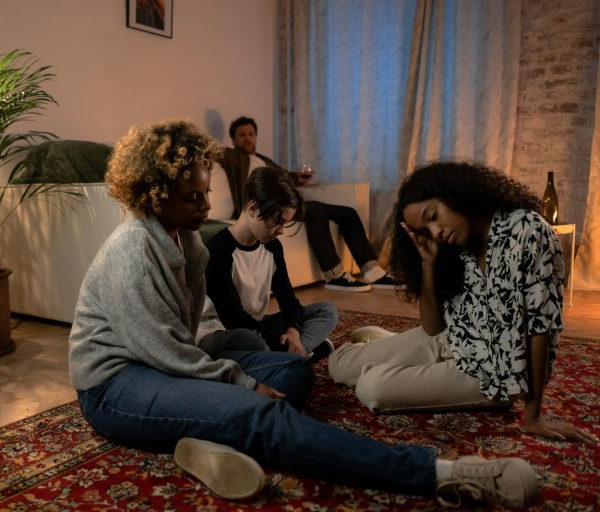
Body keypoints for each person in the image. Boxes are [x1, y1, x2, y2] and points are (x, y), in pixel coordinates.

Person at [68, 119, 540, 508]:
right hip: (117, 383)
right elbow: (164, 350)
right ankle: (440, 473)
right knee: (264, 414)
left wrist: (240, 371)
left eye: (206, 193)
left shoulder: (185, 240)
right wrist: (242, 385)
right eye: (194, 198)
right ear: (154, 193)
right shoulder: (134, 249)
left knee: (295, 373)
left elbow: (184, 338)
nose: (208, 205)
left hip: (167, 364)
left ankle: (207, 438)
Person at [328, 161, 598, 445]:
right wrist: (428, 263)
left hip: (493, 371)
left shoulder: (527, 232)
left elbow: (540, 329)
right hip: (452, 338)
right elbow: (432, 328)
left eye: (434, 216)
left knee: (371, 386)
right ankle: (394, 351)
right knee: (338, 363)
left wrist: (534, 416)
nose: (436, 231)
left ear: (455, 194)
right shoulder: (454, 246)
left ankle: (398, 360)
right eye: (426, 230)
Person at [217, 116, 398, 292]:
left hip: (285, 201)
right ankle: (335, 276)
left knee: (348, 213)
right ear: (233, 139)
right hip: (266, 206)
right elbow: (214, 153)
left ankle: (372, 270)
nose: (248, 138)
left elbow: (282, 177)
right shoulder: (232, 156)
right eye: (242, 135)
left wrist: (296, 177)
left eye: (251, 134)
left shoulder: (264, 160)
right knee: (315, 211)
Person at [200, 166, 337, 362]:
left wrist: (293, 331)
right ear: (253, 208)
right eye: (278, 222)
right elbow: (233, 317)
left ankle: (291, 355)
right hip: (220, 331)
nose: (281, 231)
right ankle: (295, 355)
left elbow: (288, 298)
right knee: (248, 340)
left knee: (326, 311)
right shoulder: (217, 250)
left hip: (255, 326)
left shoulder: (272, 248)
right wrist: (276, 337)